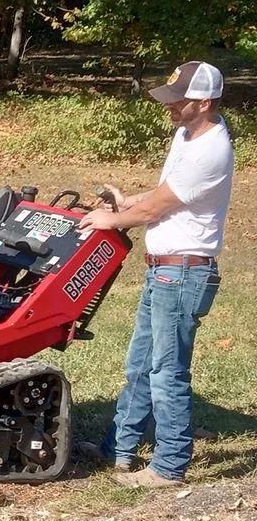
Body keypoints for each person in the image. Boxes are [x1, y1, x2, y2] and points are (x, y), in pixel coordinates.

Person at [77, 60, 234, 487]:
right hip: (164, 271)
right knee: (141, 364)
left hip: (183, 274)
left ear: (203, 102)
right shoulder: (186, 135)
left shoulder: (210, 149)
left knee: (168, 371)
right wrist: (125, 203)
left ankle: (169, 465)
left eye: (177, 100)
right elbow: (162, 195)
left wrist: (112, 220)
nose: (169, 107)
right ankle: (118, 450)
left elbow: (156, 209)